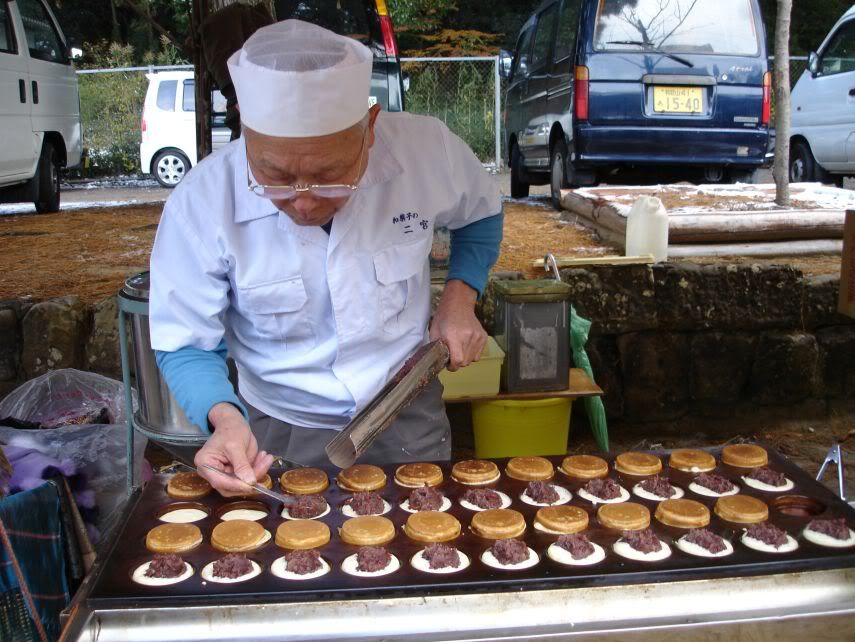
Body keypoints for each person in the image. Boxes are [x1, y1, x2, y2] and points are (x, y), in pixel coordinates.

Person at [149, 19, 503, 496]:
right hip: (276, 429)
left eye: (330, 175)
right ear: (246, 133)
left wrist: (460, 298)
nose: (304, 200)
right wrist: (224, 418)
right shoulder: (202, 201)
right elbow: (185, 340)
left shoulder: (427, 151)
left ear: (370, 129)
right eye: (274, 175)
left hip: (405, 411)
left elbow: (481, 212)